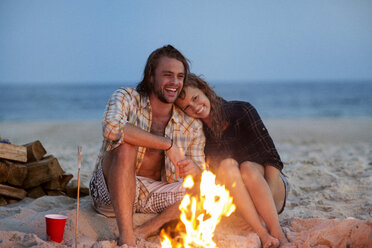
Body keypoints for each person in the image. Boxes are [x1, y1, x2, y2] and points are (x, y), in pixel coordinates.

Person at [89, 46, 206, 247]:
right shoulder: (127, 97)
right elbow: (111, 129)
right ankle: (127, 236)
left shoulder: (191, 125)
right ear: (151, 77)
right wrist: (167, 145)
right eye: (168, 75)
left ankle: (146, 229)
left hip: (154, 198)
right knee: (126, 145)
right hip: (109, 193)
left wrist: (194, 170)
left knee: (204, 189)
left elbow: (201, 173)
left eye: (180, 76)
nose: (175, 82)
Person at [176, 74, 293, 248]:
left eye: (195, 98)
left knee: (247, 168)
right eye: (187, 107)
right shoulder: (199, 134)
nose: (195, 107)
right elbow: (214, 181)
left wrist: (264, 206)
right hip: (241, 203)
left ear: (204, 89)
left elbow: (273, 160)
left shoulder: (242, 111)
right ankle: (263, 235)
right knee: (227, 165)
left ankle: (278, 234)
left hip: (272, 188)